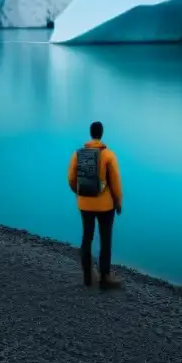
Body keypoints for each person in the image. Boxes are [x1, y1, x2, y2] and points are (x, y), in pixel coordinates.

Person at [67, 120, 123, 289]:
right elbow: (115, 183)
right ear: (101, 134)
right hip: (106, 206)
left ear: (91, 134)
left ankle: (87, 276)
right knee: (105, 239)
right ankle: (105, 277)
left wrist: (79, 193)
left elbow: (71, 178)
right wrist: (118, 202)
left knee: (87, 237)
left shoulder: (78, 154)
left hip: (85, 204)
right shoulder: (109, 155)